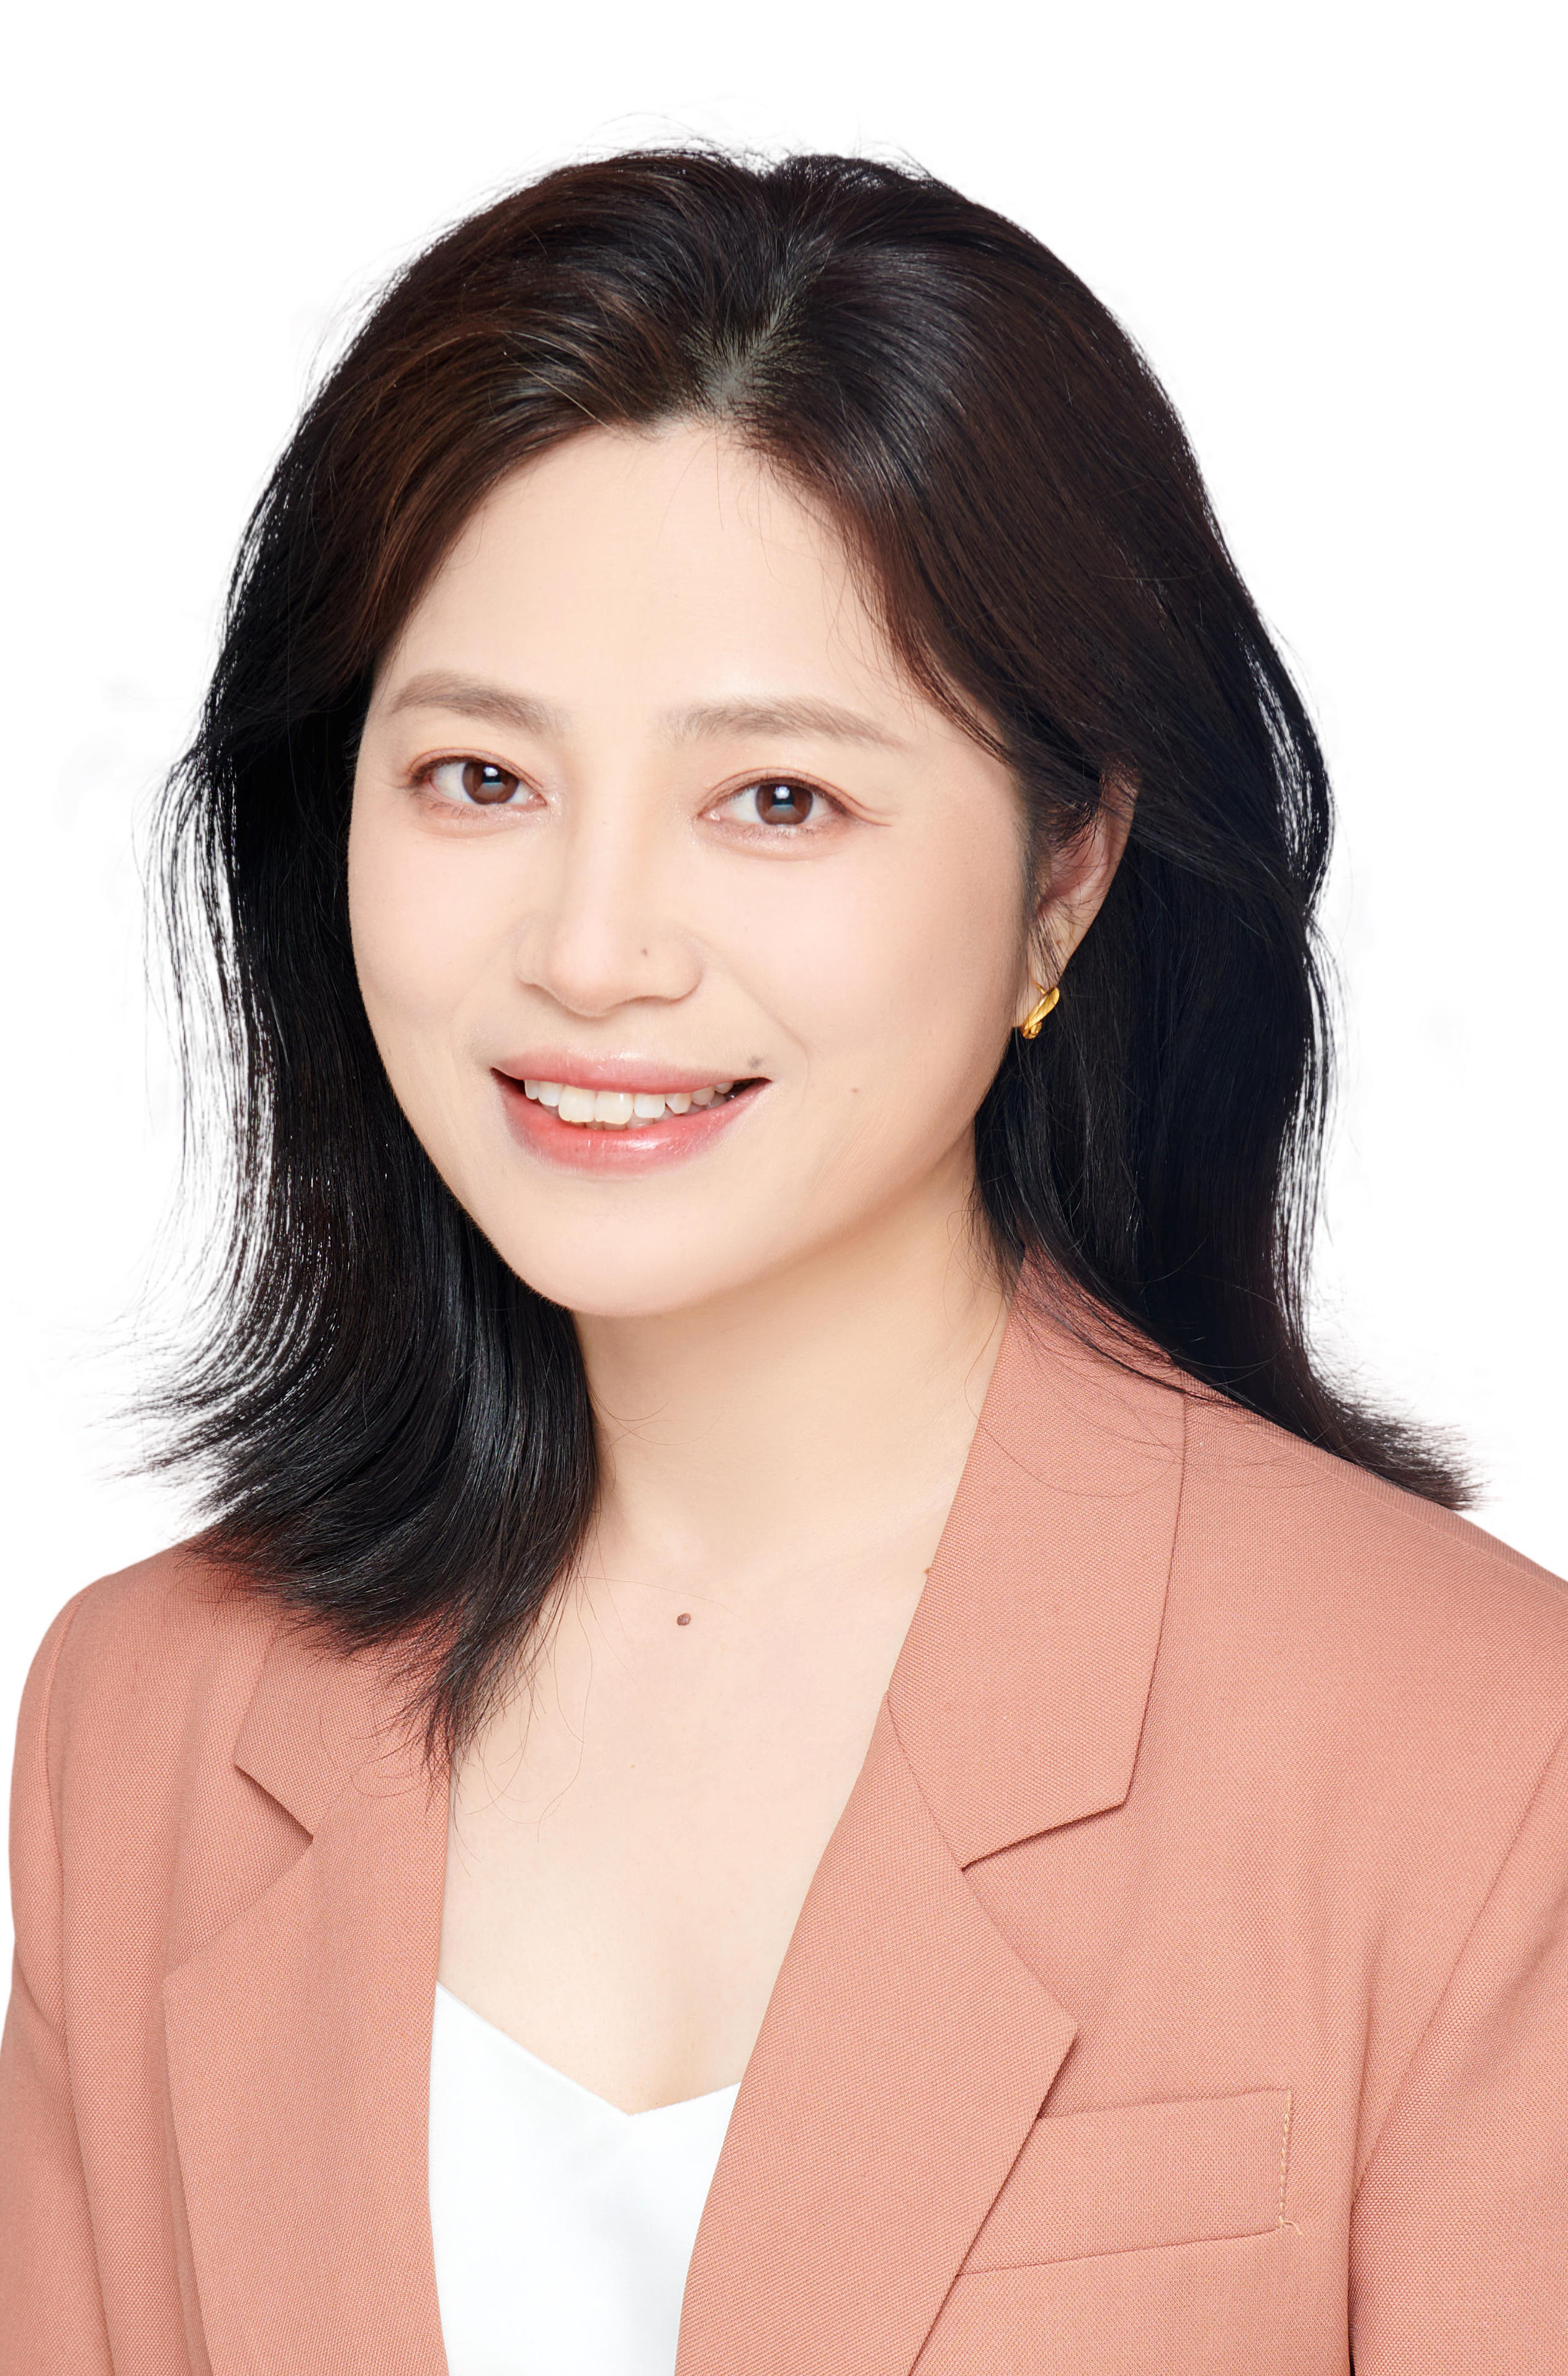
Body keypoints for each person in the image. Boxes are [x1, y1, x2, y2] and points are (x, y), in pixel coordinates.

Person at [2, 146, 1564, 2376]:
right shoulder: (144, 1718)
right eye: (477, 778)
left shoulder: (1478, 1747)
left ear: (1065, 872)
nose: (592, 950)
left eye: (777, 801)